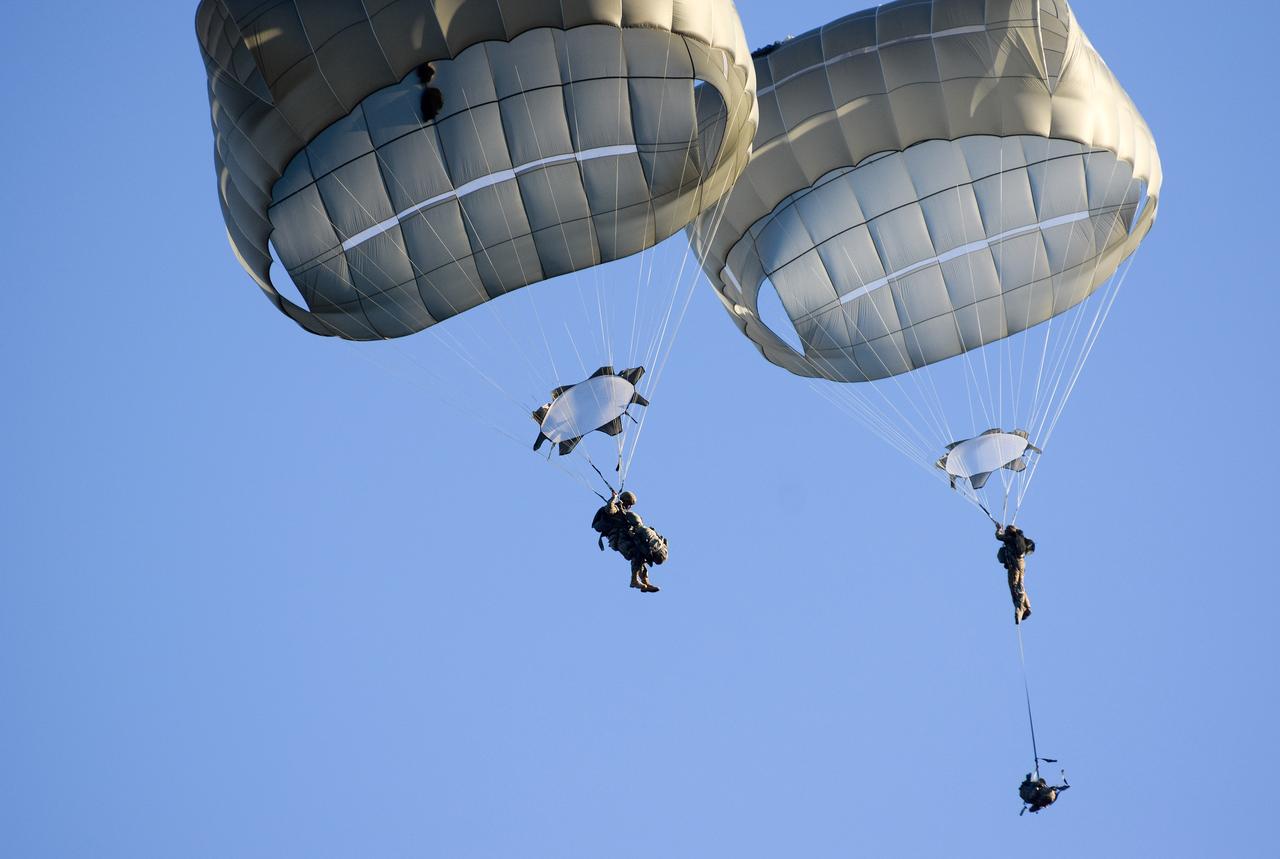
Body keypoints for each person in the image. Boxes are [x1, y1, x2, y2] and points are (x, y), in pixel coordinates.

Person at [591, 490, 667, 593]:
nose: (630, 507)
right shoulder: (616, 509)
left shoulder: (624, 512)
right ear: (625, 502)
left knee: (642, 554)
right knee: (636, 554)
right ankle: (634, 580)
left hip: (626, 538)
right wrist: (613, 499)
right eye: (629, 504)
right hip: (619, 540)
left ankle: (645, 581)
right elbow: (609, 509)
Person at [996, 524, 1036, 623]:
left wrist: (998, 530)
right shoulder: (1020, 537)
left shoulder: (1009, 538)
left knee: (1014, 587)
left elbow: (998, 536)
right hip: (1022, 563)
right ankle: (1027, 606)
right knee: (1020, 584)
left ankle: (1020, 609)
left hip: (1014, 565)